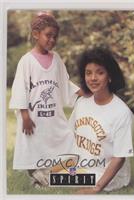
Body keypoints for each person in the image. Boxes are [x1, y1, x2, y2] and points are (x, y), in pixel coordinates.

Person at [9, 12, 81, 188]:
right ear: (36, 34)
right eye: (48, 35)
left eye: (55, 36)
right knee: (35, 146)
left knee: (69, 142)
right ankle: (36, 176)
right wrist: (25, 116)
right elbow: (20, 89)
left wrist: (80, 92)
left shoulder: (56, 59)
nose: (52, 40)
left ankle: (44, 177)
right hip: (33, 118)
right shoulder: (26, 61)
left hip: (53, 116)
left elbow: (64, 83)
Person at [69, 47, 134, 194]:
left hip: (108, 175)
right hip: (83, 167)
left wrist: (96, 189)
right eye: (88, 73)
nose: (93, 78)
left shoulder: (121, 113)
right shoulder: (82, 103)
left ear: (109, 76)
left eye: (100, 72)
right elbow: (70, 135)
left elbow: (120, 157)